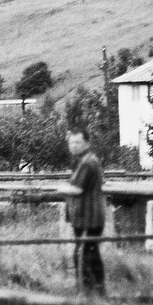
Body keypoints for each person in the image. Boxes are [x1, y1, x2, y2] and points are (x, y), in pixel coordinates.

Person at [65, 126, 106, 295]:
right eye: (71, 142)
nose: (74, 146)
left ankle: (88, 291)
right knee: (90, 253)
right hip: (86, 216)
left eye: (78, 142)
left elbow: (77, 190)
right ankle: (96, 290)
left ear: (87, 143)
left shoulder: (87, 163)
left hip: (89, 216)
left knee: (83, 254)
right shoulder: (85, 161)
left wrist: (59, 188)